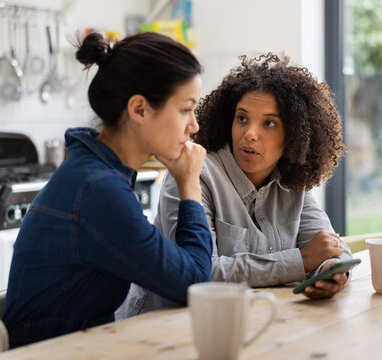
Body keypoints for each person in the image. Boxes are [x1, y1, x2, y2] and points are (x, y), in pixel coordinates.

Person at [2, 32, 212, 348]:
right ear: (140, 109)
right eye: (186, 109)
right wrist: (189, 183)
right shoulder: (99, 190)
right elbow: (195, 282)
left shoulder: (94, 172)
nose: (193, 126)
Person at [116, 53, 351, 319]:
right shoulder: (191, 174)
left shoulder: (293, 182)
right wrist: (301, 262)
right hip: (160, 326)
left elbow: (332, 247)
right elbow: (201, 273)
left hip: (247, 322)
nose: (250, 133)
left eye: (269, 123)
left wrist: (332, 270)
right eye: (242, 118)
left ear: (296, 134)